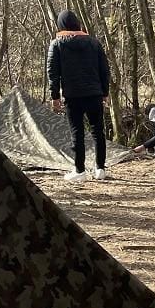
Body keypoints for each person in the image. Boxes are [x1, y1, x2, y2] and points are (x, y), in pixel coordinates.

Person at [47, 10, 110, 182]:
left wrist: (55, 96)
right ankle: (100, 169)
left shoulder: (57, 44)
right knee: (98, 131)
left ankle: (80, 170)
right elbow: (104, 69)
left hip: (73, 96)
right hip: (95, 94)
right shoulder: (94, 43)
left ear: (61, 25)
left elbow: (53, 73)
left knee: (77, 133)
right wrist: (105, 92)